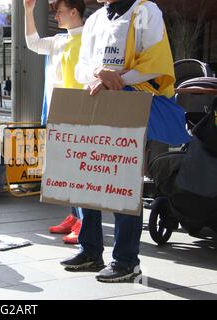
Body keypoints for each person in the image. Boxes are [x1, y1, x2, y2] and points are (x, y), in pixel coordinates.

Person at [61, 0, 191, 282]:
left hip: (132, 105)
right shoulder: (95, 19)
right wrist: (99, 74)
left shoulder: (145, 11)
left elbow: (154, 65)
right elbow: (81, 68)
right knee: (88, 178)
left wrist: (113, 78)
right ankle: (91, 249)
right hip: (98, 101)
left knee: (123, 182)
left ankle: (126, 260)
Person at [24, 0, 86, 244]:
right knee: (67, 170)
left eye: (59, 12)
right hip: (59, 114)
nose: (56, 16)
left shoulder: (89, 39)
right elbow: (33, 43)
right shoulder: (61, 41)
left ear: (74, 12)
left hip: (80, 116)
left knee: (80, 171)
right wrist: (28, 11)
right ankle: (74, 216)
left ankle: (83, 221)